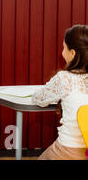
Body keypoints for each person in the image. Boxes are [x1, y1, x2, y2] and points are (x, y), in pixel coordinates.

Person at [32, 24, 88, 160]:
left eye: (64, 48)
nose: (62, 52)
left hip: (67, 150)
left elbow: (38, 98)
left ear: (73, 53)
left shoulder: (64, 79)